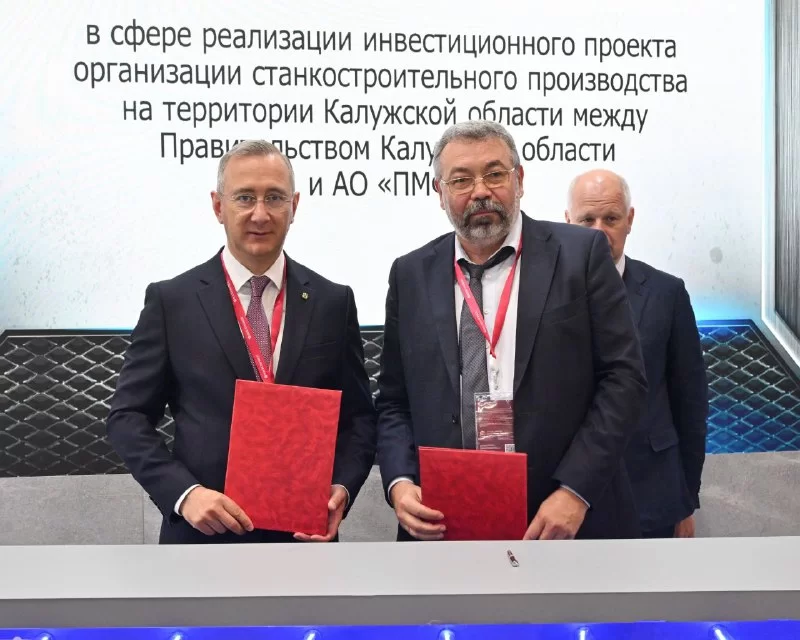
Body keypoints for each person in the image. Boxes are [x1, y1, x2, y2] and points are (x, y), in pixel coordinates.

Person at [375, 120, 648, 541]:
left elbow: (624, 379)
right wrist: (399, 482)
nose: (480, 191)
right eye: (461, 180)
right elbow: (394, 401)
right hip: (445, 520)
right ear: (439, 193)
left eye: (495, 174)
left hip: (564, 519)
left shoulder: (581, 255)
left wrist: (575, 491)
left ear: (519, 179)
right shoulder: (410, 274)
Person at [106, 140, 376, 544]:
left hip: (305, 539)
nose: (260, 214)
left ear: (294, 206)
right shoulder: (172, 302)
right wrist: (184, 494)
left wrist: (343, 487)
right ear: (218, 206)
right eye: (245, 197)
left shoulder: (333, 301)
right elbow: (127, 418)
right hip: (201, 538)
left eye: (275, 198)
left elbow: (359, 419)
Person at [565, 169, 708, 538]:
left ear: (629, 220)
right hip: (564, 499)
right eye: (587, 220)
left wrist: (685, 499)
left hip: (652, 494)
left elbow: (690, 403)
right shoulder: (544, 295)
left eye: (611, 218)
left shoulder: (667, 293)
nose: (598, 231)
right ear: (567, 223)